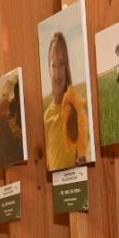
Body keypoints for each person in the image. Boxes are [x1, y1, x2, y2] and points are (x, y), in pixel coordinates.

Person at [43, 30, 91, 170]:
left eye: (62, 63)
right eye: (53, 65)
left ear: (67, 67)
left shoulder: (77, 105)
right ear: (49, 68)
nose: (57, 72)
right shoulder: (46, 117)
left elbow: (84, 152)